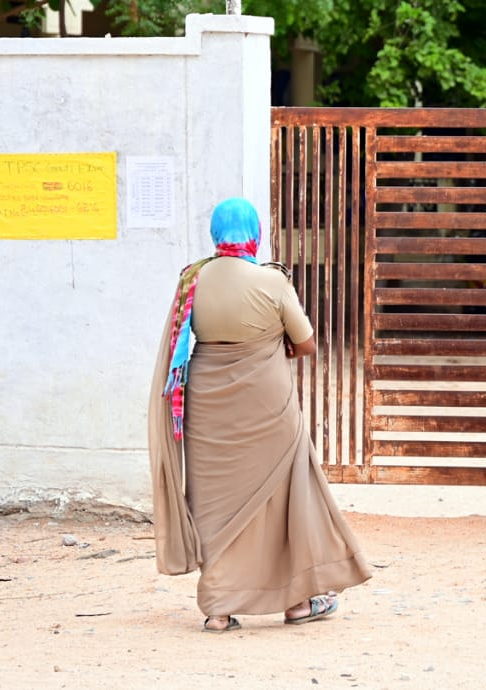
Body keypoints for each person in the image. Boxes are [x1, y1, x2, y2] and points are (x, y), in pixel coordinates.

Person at [147, 197, 372, 632]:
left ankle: (218, 608)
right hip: (269, 404)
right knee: (287, 499)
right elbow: (305, 342)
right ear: (256, 234)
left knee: (213, 504)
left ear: (214, 235)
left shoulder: (192, 279)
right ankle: (297, 604)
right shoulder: (272, 282)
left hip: (208, 404)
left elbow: (181, 340)